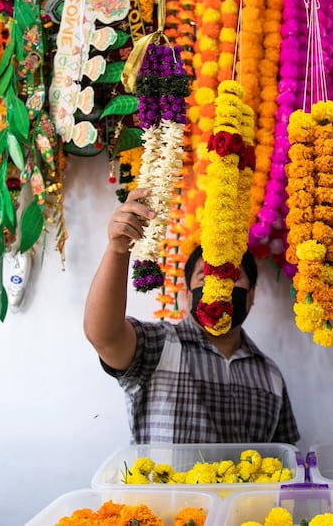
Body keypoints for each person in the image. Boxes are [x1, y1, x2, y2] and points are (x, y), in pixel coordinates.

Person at [84, 187, 300, 445]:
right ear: (187, 294)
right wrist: (118, 251)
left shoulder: (269, 375)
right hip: (167, 487)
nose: (218, 287)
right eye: (205, 277)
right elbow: (104, 336)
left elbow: (286, 459)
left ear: (252, 295)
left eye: (232, 277)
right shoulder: (158, 345)